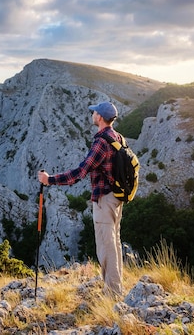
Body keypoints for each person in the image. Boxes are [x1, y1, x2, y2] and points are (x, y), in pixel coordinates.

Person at [38, 101, 124, 297]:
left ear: (100, 117)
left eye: (94, 112)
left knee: (106, 246)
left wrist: (50, 180)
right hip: (116, 198)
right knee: (114, 243)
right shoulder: (117, 137)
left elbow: (79, 172)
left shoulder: (101, 142)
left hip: (104, 200)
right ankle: (116, 288)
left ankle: (113, 293)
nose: (92, 114)